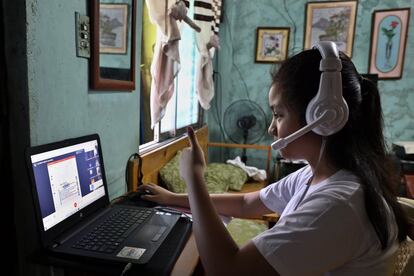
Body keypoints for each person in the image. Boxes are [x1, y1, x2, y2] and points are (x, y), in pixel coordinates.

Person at [138, 47, 411, 275]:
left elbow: (226, 270)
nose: (271, 128)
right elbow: (247, 202)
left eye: (278, 115)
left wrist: (195, 178)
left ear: (324, 118)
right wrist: (173, 197)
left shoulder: (338, 204)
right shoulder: (316, 175)